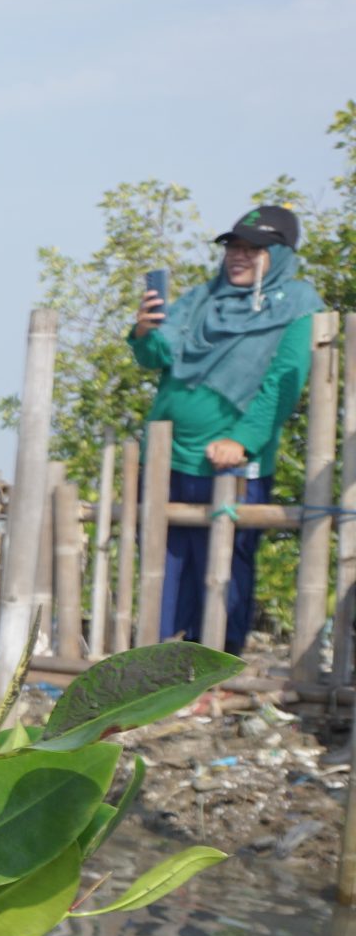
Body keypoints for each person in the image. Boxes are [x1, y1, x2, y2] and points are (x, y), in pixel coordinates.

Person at [129, 204, 318, 653]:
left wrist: (243, 441)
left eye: (255, 249)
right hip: (167, 456)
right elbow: (156, 356)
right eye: (235, 246)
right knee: (162, 565)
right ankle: (155, 667)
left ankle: (215, 664)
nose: (239, 255)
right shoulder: (200, 299)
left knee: (224, 570)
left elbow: (281, 385)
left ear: (282, 256)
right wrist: (143, 330)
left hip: (230, 465)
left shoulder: (299, 308)